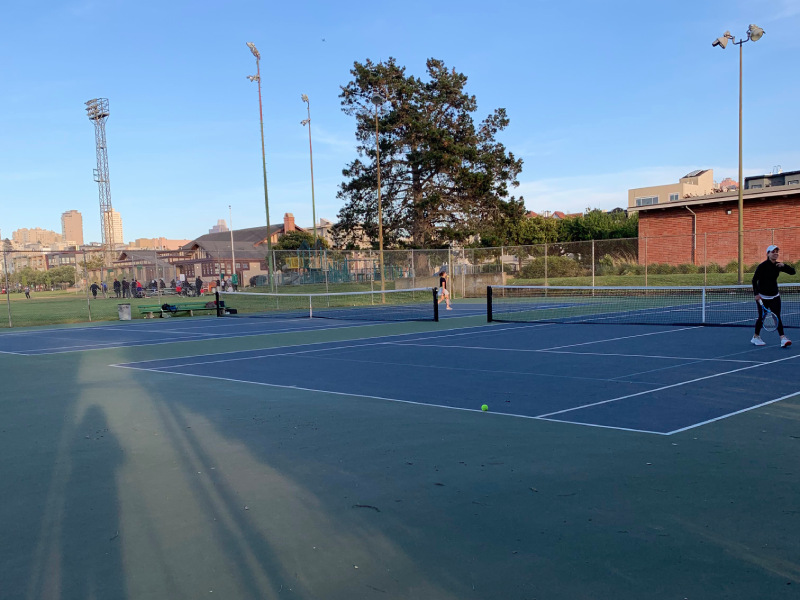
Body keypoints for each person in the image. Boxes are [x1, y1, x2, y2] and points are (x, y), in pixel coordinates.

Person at [752, 244, 795, 347]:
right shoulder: (762, 266)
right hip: (762, 297)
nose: (775, 254)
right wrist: (756, 294)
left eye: (776, 252)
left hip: (775, 296)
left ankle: (783, 338)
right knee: (761, 317)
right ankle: (756, 337)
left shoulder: (778, 265)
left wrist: (784, 266)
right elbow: (754, 280)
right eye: (773, 252)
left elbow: (793, 272)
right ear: (768, 254)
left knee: (777, 317)